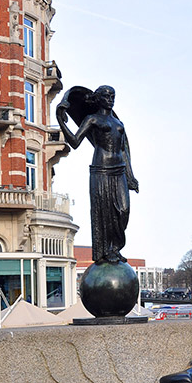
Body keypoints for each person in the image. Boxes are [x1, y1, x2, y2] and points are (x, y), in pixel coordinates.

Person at [57, 85, 138, 265]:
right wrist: (61, 121)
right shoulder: (92, 119)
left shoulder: (119, 124)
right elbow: (75, 141)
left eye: (113, 96)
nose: (111, 99)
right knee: (104, 212)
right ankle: (107, 251)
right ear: (98, 98)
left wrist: (131, 176)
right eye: (107, 96)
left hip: (119, 170)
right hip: (101, 169)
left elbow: (124, 150)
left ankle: (116, 247)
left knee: (123, 211)